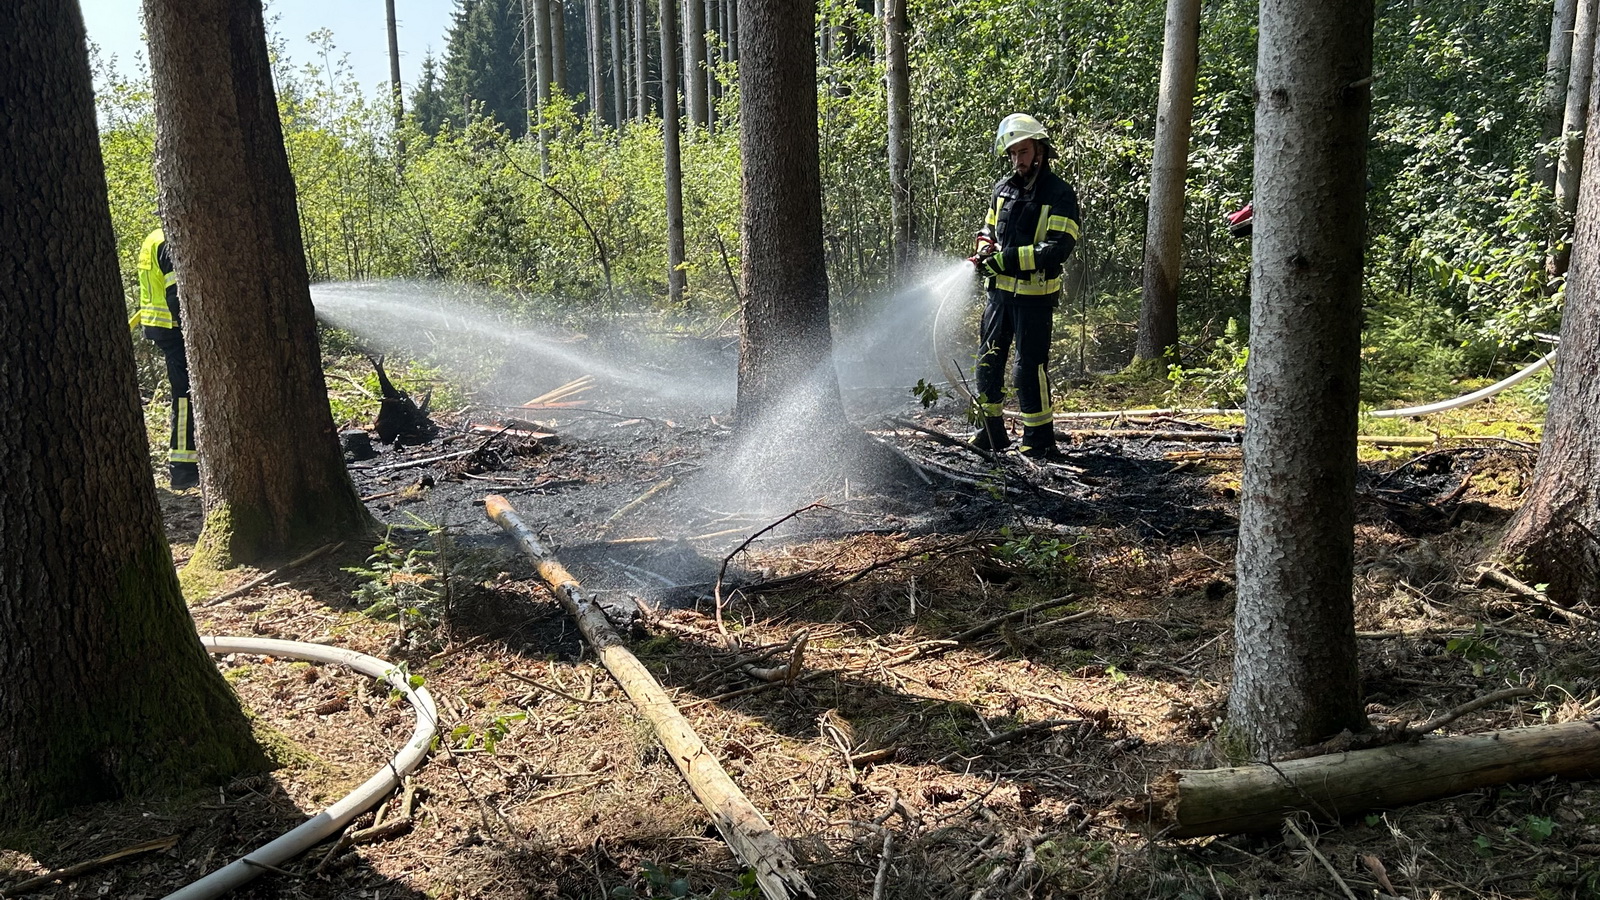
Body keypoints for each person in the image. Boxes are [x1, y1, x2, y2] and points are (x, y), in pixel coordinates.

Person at [968, 113, 1081, 459]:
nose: (1018, 159)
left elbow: (1058, 248)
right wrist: (985, 248)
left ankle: (1039, 439)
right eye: (1013, 153)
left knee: (1027, 369)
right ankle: (990, 433)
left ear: (1040, 151)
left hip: (1035, 297)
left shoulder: (1059, 194)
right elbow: (988, 229)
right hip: (998, 296)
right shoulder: (1002, 189)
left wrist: (1007, 259)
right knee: (988, 362)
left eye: (1024, 151)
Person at [136, 226, 199, 489]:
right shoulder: (169, 240)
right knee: (185, 396)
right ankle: (183, 469)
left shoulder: (153, 238)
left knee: (186, 395)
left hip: (162, 328)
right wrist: (194, 333)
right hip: (174, 330)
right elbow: (177, 298)